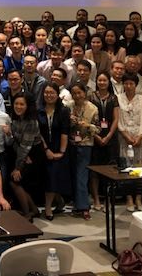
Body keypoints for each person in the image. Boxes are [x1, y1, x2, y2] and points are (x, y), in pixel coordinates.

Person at [117, 73, 142, 211]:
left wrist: (140, 136)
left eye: (131, 83)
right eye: (126, 83)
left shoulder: (141, 99)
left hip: (140, 138)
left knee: (140, 169)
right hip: (124, 138)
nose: (128, 86)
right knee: (126, 168)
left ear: (136, 85)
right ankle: (129, 198)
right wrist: (126, 136)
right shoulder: (118, 98)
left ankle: (138, 198)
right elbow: (118, 119)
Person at [7, 93, 42, 220]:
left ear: (28, 106)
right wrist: (9, 134)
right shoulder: (15, 119)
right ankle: (34, 210)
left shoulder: (31, 122)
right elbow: (15, 142)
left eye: (22, 104)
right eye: (16, 103)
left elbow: (25, 147)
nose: (18, 106)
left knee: (15, 181)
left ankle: (27, 214)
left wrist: (18, 168)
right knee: (17, 182)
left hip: (33, 154)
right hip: (22, 153)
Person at [38, 82, 70, 220]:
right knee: (47, 178)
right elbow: (37, 132)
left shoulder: (63, 111)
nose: (49, 95)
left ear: (57, 95)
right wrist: (46, 149)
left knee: (53, 177)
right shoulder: (38, 110)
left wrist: (61, 152)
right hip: (42, 148)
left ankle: (48, 208)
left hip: (59, 148)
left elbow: (65, 132)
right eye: (46, 92)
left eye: (52, 93)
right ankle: (59, 200)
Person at [89, 72, 119, 212]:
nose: (102, 83)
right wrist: (96, 136)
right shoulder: (91, 96)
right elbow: (88, 119)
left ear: (108, 82)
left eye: (104, 80)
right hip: (95, 137)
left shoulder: (114, 98)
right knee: (94, 171)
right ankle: (96, 199)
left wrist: (108, 136)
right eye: (99, 80)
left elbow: (116, 119)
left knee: (110, 170)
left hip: (110, 138)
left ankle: (108, 200)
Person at [69, 82, 98, 220]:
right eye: (74, 93)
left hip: (86, 144)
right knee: (73, 175)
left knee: (82, 176)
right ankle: (76, 203)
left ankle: (84, 207)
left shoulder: (92, 108)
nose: (77, 96)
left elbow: (98, 129)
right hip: (70, 144)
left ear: (84, 93)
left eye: (79, 93)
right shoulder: (68, 106)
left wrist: (87, 125)